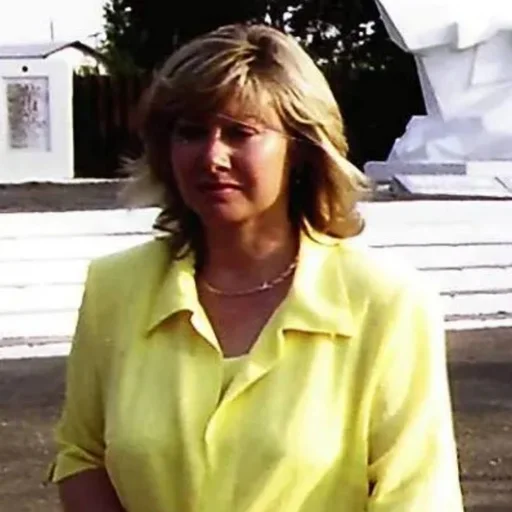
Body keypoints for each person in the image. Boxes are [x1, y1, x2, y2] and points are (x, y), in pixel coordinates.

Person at [48, 23, 464, 512]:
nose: (212, 156)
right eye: (191, 132)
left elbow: (416, 494)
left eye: (240, 133)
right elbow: (82, 455)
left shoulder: (385, 300)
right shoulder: (116, 287)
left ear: (300, 148)